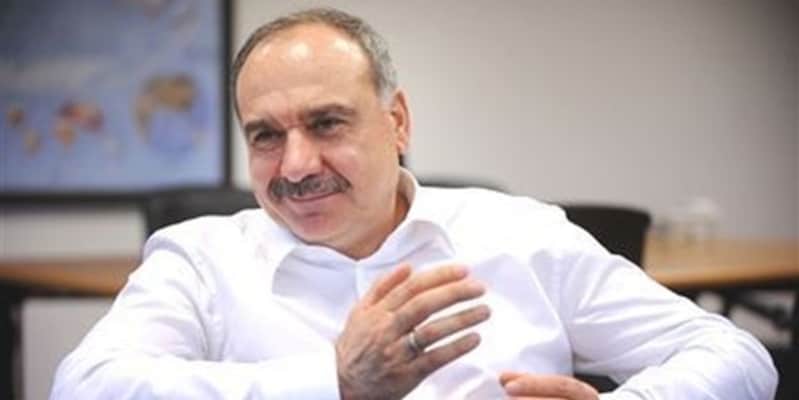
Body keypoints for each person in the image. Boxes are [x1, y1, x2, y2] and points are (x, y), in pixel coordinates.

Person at [52, 7, 777, 400]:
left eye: (326, 123)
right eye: (265, 135)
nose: (295, 165)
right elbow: (83, 387)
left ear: (396, 122)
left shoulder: (520, 235)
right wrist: (333, 383)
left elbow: (735, 355)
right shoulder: (204, 257)